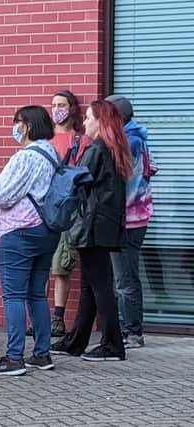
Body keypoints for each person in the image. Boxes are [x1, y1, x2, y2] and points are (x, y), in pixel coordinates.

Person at [0, 105, 60, 375]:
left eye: (17, 122)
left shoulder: (24, 157)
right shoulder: (51, 153)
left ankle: (14, 358)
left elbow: (2, 195)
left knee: (13, 295)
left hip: (20, 231)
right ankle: (42, 353)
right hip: (47, 230)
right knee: (37, 294)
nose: (14, 127)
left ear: (26, 125)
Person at [51, 99, 132, 362]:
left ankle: (112, 345)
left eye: (88, 118)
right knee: (90, 284)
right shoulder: (113, 149)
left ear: (101, 121)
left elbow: (76, 182)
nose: (85, 122)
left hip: (92, 225)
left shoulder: (97, 149)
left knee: (99, 285)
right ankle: (77, 341)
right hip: (103, 225)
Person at [105, 95, 154, 349]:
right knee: (124, 278)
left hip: (129, 220)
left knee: (124, 280)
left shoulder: (128, 141)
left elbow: (116, 178)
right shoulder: (137, 138)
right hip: (135, 217)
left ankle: (132, 332)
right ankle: (129, 330)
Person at [47, 90, 90, 337]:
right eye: (53, 105)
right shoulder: (45, 140)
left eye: (61, 105)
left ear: (72, 109)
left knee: (62, 264)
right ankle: (40, 317)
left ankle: (58, 318)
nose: (57, 110)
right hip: (45, 209)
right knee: (42, 264)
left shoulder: (81, 141)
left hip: (69, 210)